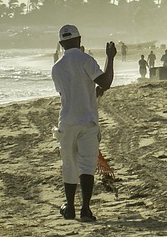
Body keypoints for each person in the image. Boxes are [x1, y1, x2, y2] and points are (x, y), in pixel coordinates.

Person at [51, 24, 116, 222]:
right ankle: (85, 209)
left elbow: (67, 95)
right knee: (87, 167)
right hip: (87, 122)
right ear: (79, 41)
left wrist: (91, 93)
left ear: (61, 44)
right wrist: (110, 58)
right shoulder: (86, 59)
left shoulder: (57, 68)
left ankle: (69, 208)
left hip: (67, 123)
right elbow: (105, 82)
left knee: (69, 166)